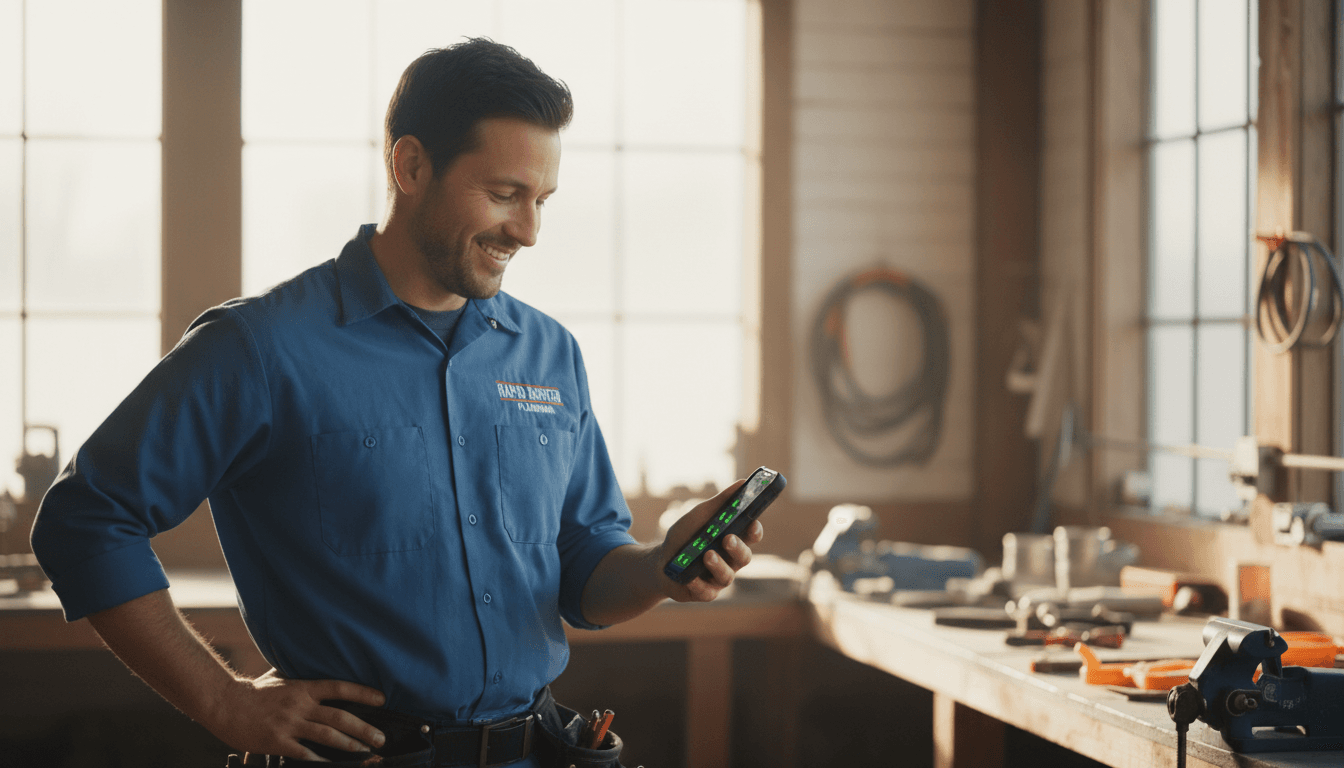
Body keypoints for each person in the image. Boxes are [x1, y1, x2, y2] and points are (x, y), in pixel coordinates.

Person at [30, 38, 763, 767]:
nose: (529, 231)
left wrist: (664, 567)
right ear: (410, 165)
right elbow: (86, 520)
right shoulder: (260, 346)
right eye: (504, 195)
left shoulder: (550, 354)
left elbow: (582, 570)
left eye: (541, 201)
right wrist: (226, 703)